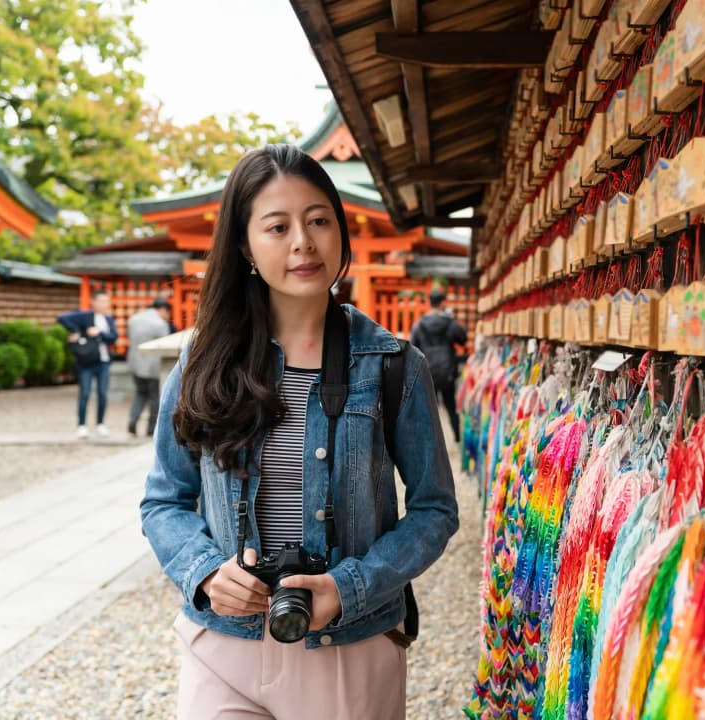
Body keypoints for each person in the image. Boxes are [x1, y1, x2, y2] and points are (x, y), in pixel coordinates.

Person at [140, 145, 459, 720]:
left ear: (341, 228)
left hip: (351, 646)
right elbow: (164, 499)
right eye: (277, 226)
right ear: (245, 246)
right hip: (224, 645)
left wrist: (349, 586)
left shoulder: (392, 364)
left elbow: (435, 510)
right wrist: (207, 572)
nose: (302, 243)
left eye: (318, 220)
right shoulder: (203, 360)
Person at [58, 291, 118, 438]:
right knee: (84, 394)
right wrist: (77, 332)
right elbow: (62, 318)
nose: (105, 304)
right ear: (94, 302)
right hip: (87, 361)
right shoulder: (84, 316)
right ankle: (82, 425)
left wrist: (99, 333)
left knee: (103, 393)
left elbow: (113, 337)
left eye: (106, 301)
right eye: (102, 301)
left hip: (103, 361)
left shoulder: (108, 319)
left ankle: (100, 424)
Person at [410, 289, 467, 443]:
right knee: (450, 405)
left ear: (430, 302)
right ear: (443, 303)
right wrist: (453, 319)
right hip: (447, 370)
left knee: (428, 408)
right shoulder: (449, 322)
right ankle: (456, 437)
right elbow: (462, 339)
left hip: (427, 370)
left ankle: (429, 441)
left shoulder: (419, 325)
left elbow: (413, 347)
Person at [126, 298, 173, 437]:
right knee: (155, 397)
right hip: (153, 366)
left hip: (135, 363)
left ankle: (132, 420)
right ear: (163, 309)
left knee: (140, 393)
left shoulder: (134, 319)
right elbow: (165, 345)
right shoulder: (160, 324)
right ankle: (151, 428)